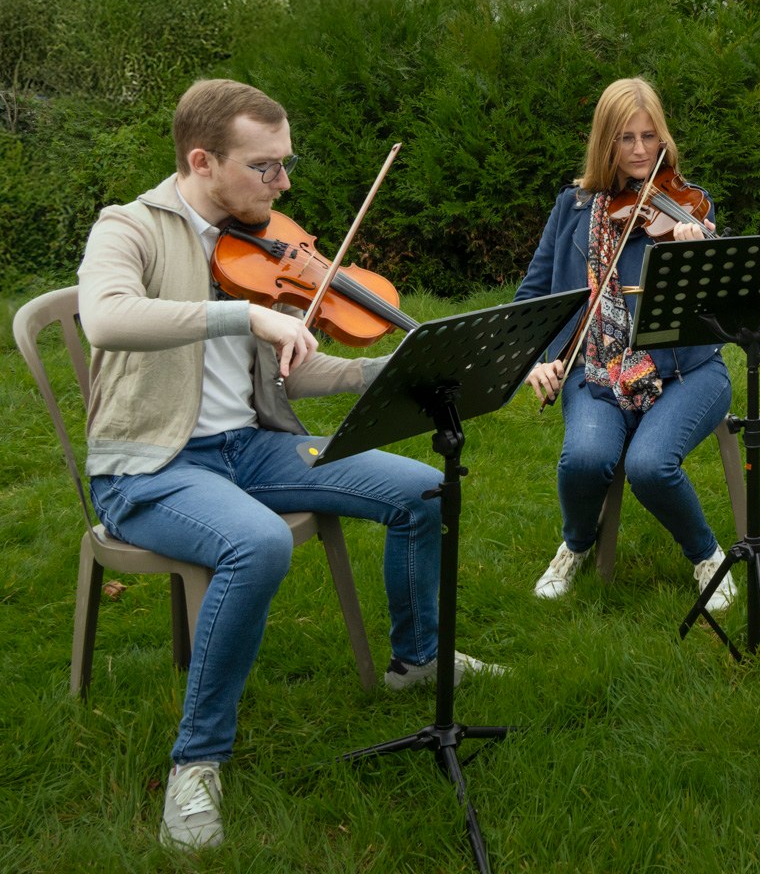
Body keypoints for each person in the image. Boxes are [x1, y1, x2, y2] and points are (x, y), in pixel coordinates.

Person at [78, 78, 500, 852]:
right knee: (259, 542)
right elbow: (105, 315)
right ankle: (197, 761)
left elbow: (289, 374)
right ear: (202, 161)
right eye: (265, 167)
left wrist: (386, 370)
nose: (284, 183)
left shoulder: (262, 246)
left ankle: (415, 658)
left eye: (286, 163)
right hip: (151, 466)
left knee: (423, 491)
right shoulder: (127, 228)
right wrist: (247, 312)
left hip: (253, 447)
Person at [514, 76, 736, 611]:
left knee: (649, 466)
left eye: (650, 136)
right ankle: (576, 544)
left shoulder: (688, 208)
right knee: (586, 460)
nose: (640, 151)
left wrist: (695, 258)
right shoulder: (572, 208)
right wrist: (536, 362)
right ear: (604, 143)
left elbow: (723, 310)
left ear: (664, 139)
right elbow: (531, 299)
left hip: (686, 371)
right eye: (626, 138)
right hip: (595, 373)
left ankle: (707, 556)